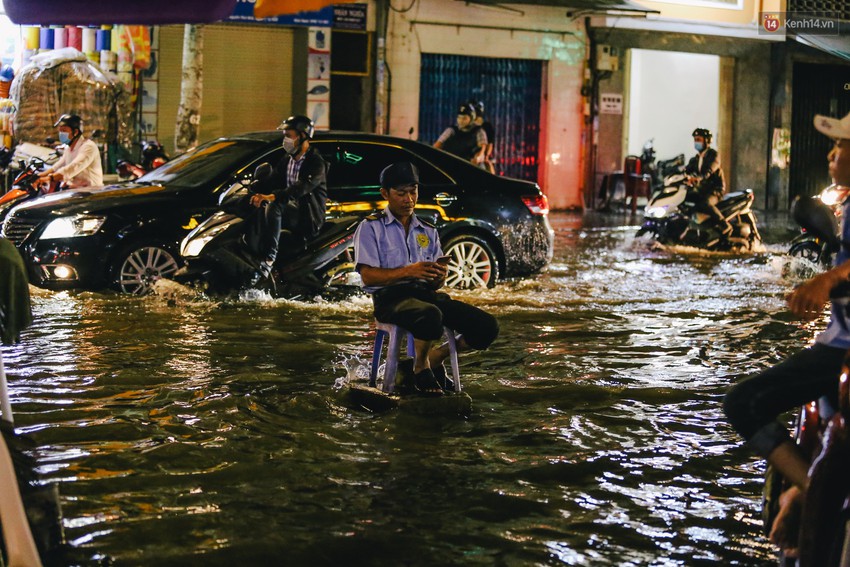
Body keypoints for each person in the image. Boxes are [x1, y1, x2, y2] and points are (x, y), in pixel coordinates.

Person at [723, 110, 850, 556]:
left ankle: (818, 496)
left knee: (743, 402)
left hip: (844, 352)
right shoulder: (845, 206)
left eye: (841, 145)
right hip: (837, 346)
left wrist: (827, 280)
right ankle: (813, 490)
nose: (833, 153)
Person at [353, 161, 499, 395]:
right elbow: (368, 276)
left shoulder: (428, 230)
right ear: (385, 193)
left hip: (425, 295)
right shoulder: (371, 228)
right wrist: (410, 271)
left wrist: (438, 276)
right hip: (390, 299)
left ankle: (434, 356)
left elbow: (435, 280)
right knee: (430, 315)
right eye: (401, 193)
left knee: (486, 326)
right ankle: (420, 369)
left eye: (413, 192)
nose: (408, 199)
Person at [246, 115, 328, 284]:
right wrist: (252, 189)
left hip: (307, 218)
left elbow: (300, 188)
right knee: (258, 205)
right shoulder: (287, 160)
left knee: (274, 205)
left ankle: (268, 259)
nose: (286, 140)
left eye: (289, 135)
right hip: (290, 211)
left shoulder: (315, 163)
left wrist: (272, 196)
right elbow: (273, 180)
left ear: (303, 136)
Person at [37, 114, 103, 189]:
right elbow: (59, 165)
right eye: (60, 131)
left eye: (64, 130)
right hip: (74, 191)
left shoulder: (88, 147)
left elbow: (74, 167)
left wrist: (50, 178)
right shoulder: (69, 148)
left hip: (90, 192)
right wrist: (40, 175)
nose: (61, 134)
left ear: (75, 132)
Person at [685, 127, 729, 233]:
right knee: (684, 199)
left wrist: (699, 178)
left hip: (715, 190)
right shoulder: (695, 159)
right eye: (695, 140)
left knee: (705, 203)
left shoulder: (714, 155)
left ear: (707, 141)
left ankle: (724, 225)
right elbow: (686, 170)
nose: (696, 142)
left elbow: (709, 170)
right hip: (702, 190)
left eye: (699, 140)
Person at [470, 100, 496, 174]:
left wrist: (486, 156)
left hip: (480, 156)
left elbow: (490, 143)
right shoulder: (468, 127)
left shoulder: (486, 126)